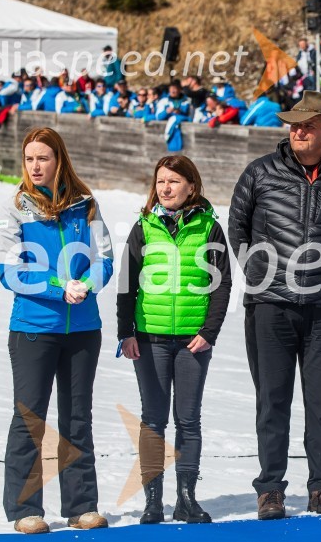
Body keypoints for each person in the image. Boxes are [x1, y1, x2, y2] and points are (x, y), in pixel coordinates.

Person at [228, 90, 321, 521]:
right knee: (272, 400)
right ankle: (270, 489)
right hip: (270, 304)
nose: (297, 130)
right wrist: (259, 272)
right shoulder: (260, 172)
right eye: (294, 124)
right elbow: (237, 225)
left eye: (308, 125)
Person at [0, 127, 113, 533]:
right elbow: (10, 272)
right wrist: (59, 286)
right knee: (30, 417)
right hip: (33, 328)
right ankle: (25, 509)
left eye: (42, 158)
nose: (35, 166)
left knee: (78, 417)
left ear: (59, 159)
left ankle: (81, 507)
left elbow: (105, 259)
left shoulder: (86, 204)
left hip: (83, 329)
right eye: (29, 159)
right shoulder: (15, 207)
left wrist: (87, 285)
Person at [116, 156, 231, 525]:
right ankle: (153, 501)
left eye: (174, 182)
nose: (166, 188)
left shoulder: (209, 227)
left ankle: (185, 498)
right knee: (153, 420)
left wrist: (208, 331)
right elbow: (126, 284)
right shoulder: (144, 227)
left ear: (191, 187)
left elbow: (222, 284)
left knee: (188, 420)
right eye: (161, 181)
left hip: (191, 341)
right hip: (148, 339)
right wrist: (125, 333)